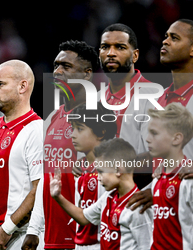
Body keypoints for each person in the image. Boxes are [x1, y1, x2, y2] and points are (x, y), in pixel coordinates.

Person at [22, 40, 100, 250]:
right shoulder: (52, 118)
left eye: (66, 66)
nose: (57, 71)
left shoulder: (101, 118)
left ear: (87, 74)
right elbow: (45, 178)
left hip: (87, 236)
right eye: (56, 65)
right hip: (52, 234)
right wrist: (33, 229)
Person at [123, 19, 193, 212]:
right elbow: (152, 155)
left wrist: (156, 190)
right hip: (159, 218)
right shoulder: (156, 100)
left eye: (175, 38)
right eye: (166, 37)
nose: (165, 41)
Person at [0, 60, 43, 250]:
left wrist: (7, 228)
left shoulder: (37, 130)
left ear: (22, 86)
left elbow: (39, 189)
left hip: (19, 237)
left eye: (0, 84)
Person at [50, 138, 153, 250]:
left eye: (101, 171)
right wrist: (58, 197)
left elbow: (147, 246)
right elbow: (83, 217)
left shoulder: (137, 207)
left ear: (118, 170)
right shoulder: (108, 197)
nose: (98, 177)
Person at [67, 102, 117, 250]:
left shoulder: (113, 169)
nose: (73, 135)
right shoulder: (81, 168)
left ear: (101, 132)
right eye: (73, 129)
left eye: (80, 129)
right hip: (81, 244)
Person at [146, 103, 193, 249]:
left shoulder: (188, 179)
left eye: (154, 133)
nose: (147, 139)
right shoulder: (158, 177)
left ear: (176, 139)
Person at [100, 23, 150, 138]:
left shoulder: (153, 97)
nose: (110, 53)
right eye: (105, 47)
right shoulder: (94, 100)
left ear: (135, 55)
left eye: (120, 47)